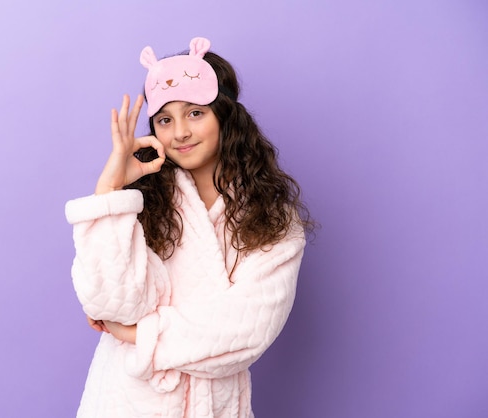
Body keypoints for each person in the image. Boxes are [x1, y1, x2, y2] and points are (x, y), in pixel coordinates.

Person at [65, 37, 312, 418]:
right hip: (125, 402)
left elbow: (245, 333)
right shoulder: (140, 203)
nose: (179, 132)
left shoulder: (272, 218)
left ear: (225, 116)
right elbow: (108, 303)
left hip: (212, 406)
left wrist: (137, 335)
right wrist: (110, 189)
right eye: (165, 119)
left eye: (195, 113)